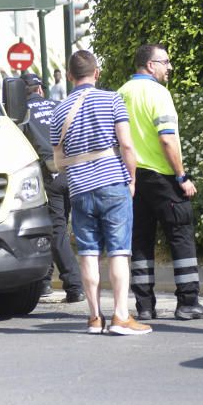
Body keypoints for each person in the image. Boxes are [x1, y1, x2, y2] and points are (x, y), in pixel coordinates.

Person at [50, 49, 148, 335]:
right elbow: (127, 146)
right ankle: (121, 316)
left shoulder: (59, 110)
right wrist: (131, 179)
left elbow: (58, 160)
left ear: (69, 76)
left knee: (88, 253)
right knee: (119, 252)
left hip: (80, 190)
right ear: (97, 73)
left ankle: (94, 317)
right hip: (112, 184)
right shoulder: (112, 100)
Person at [118, 44, 203, 321]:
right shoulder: (158, 94)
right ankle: (187, 302)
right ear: (150, 65)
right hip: (162, 177)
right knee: (181, 235)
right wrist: (182, 176)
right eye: (165, 62)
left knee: (140, 242)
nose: (169, 67)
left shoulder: (122, 93)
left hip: (133, 179)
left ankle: (145, 306)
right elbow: (166, 138)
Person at [18, 71, 84, 304]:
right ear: (41, 90)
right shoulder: (58, 105)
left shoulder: (20, 115)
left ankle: (74, 285)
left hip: (49, 176)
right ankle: (45, 281)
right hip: (72, 170)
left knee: (56, 231)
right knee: (60, 228)